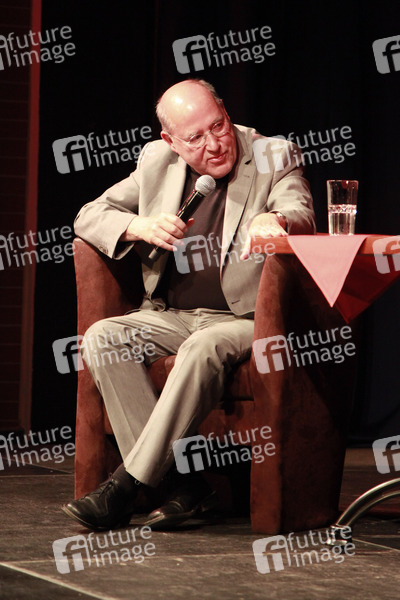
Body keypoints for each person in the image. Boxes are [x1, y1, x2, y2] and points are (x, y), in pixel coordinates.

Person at [62, 79, 316, 531]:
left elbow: (300, 210)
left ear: (225, 111)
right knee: (103, 337)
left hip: (244, 318)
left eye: (218, 126)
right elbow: (88, 215)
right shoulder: (156, 161)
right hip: (170, 315)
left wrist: (273, 217)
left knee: (203, 347)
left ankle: (126, 485)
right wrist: (138, 226)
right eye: (195, 138)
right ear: (171, 141)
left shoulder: (272, 154)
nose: (214, 144)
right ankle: (185, 487)